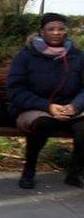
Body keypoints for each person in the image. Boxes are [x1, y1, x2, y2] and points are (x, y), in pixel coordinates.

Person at [6, 12, 84, 189]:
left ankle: (75, 173)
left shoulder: (78, 56)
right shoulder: (25, 56)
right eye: (51, 29)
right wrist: (47, 107)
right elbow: (16, 90)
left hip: (70, 110)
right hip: (35, 108)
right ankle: (29, 170)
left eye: (61, 29)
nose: (56, 33)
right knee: (42, 124)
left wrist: (75, 106)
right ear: (41, 32)